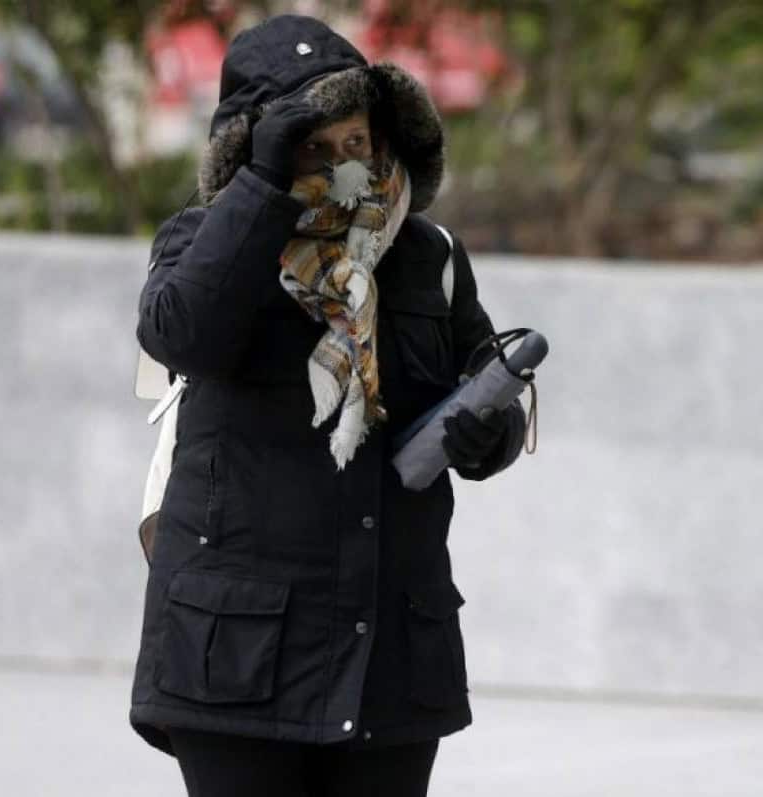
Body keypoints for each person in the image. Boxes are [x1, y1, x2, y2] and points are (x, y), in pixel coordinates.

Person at [129, 15, 526, 797]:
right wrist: (265, 190)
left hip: (388, 652)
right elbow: (182, 334)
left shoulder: (427, 256)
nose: (348, 163)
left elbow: (478, 384)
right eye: (317, 142)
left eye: (359, 140)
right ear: (257, 148)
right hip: (239, 657)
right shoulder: (203, 239)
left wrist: (491, 434)